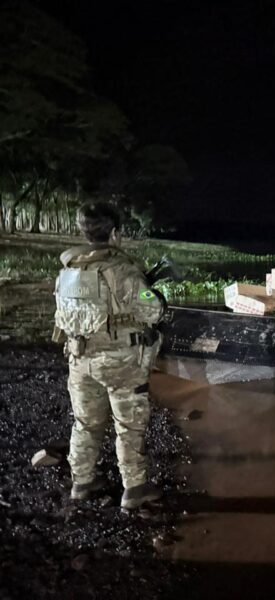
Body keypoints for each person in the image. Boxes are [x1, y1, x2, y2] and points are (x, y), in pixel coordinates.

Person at [52, 201, 165, 509]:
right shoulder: (124, 271)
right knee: (128, 424)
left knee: (85, 423)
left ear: (84, 232)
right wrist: (153, 293)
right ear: (115, 233)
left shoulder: (68, 271)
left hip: (80, 358)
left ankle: (82, 482)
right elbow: (152, 310)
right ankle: (134, 488)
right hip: (120, 362)